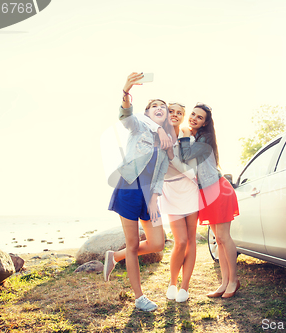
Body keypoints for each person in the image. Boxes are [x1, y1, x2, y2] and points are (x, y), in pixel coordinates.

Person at [103, 72, 173, 312]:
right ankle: (139, 297)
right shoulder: (138, 128)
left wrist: (155, 197)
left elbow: (161, 173)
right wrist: (126, 91)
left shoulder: (166, 143)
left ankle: (115, 257)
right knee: (133, 244)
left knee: (157, 243)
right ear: (147, 112)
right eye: (154, 105)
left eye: (163, 106)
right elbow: (126, 115)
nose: (159, 108)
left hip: (149, 196)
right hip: (129, 188)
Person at [178, 103, 240, 299]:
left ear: (205, 124)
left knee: (223, 237)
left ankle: (233, 280)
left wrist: (185, 133)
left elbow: (186, 156)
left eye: (199, 117)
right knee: (218, 241)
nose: (194, 118)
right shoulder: (195, 137)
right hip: (206, 193)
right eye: (193, 114)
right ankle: (223, 282)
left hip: (219, 189)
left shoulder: (203, 139)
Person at [160, 103, 200, 303]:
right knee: (180, 241)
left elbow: (192, 171)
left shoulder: (188, 138)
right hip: (170, 193)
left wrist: (171, 157)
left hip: (190, 191)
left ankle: (185, 286)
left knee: (191, 240)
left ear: (183, 116)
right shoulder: (157, 136)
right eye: (171, 111)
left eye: (179, 112)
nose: (174, 115)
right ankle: (172, 283)